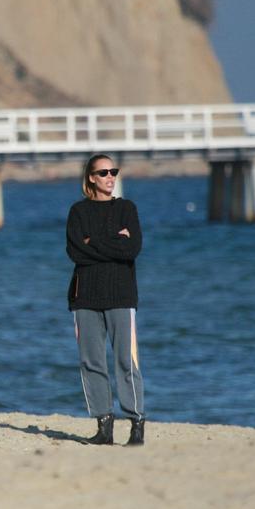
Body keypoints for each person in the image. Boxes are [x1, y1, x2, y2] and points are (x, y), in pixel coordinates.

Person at [65, 154, 145, 445]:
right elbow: (75, 252)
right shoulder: (78, 212)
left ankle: (136, 424)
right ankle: (104, 426)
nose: (110, 177)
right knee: (91, 362)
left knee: (126, 361)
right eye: (103, 172)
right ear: (91, 178)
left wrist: (94, 242)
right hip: (84, 295)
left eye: (114, 171)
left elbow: (131, 248)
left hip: (121, 295)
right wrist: (114, 240)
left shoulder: (127, 208)